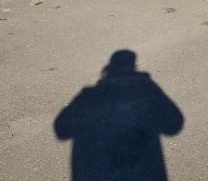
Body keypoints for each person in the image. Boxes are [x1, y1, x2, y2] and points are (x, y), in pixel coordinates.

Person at [54, 50, 183, 181]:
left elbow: (61, 130)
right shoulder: (147, 90)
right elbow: (175, 124)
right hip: (142, 172)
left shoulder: (88, 96)